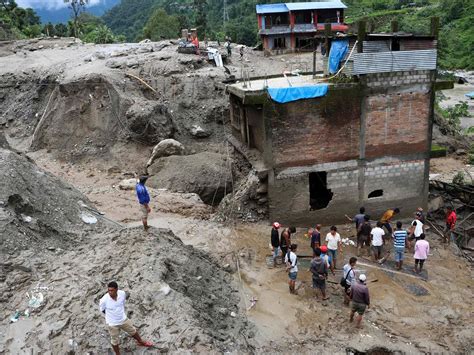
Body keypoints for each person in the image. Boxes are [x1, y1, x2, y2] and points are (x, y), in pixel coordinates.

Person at [99, 281, 153, 354]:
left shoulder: (122, 294)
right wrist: (112, 315)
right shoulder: (104, 300)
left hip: (123, 319)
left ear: (116, 289)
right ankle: (118, 354)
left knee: (133, 331)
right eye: (109, 290)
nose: (110, 292)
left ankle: (141, 342)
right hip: (112, 323)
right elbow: (102, 310)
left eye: (112, 290)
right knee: (114, 340)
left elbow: (123, 303)